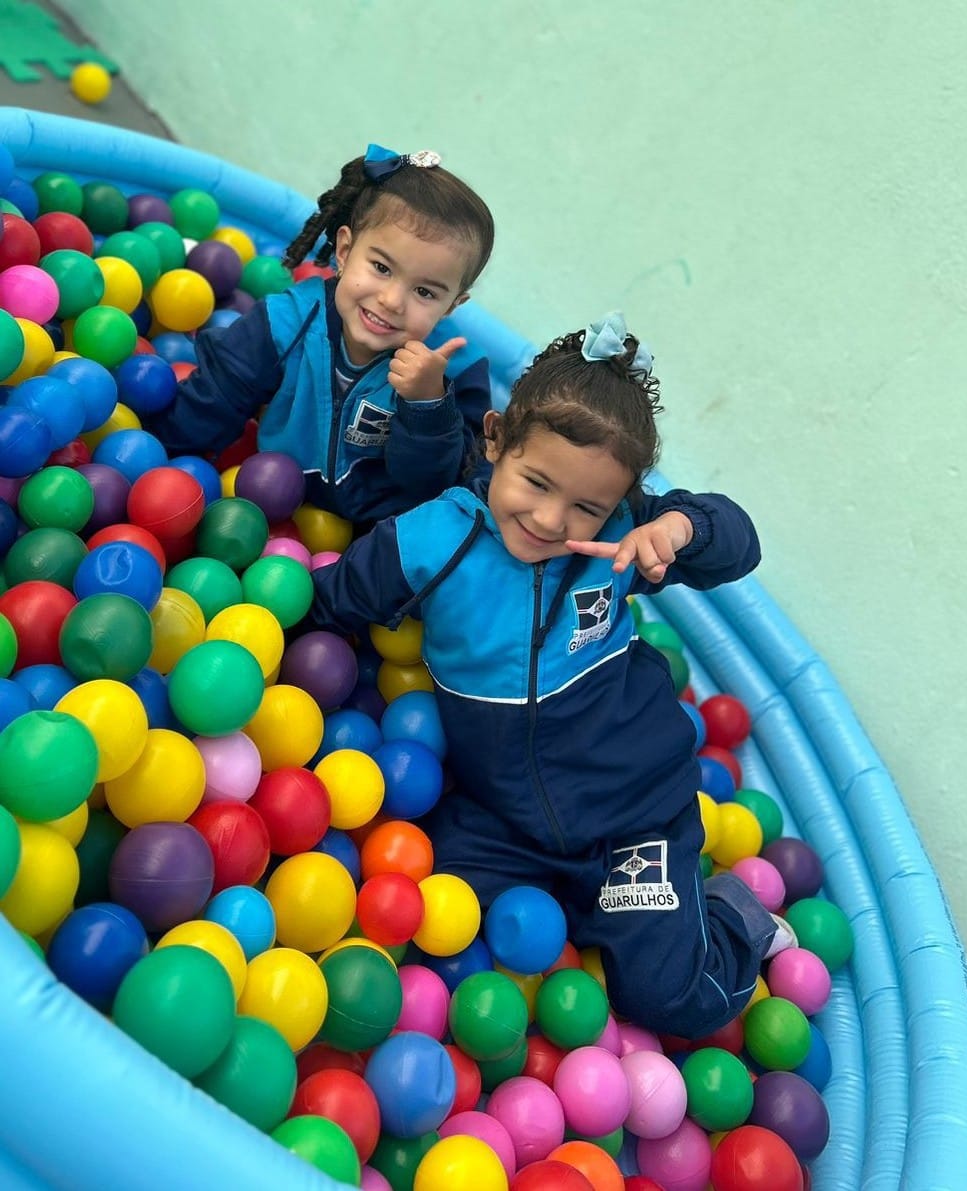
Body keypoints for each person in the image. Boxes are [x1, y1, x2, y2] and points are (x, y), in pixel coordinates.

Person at [307, 313, 793, 1037]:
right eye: (535, 482)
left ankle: (736, 916)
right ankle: (580, 910)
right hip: (502, 821)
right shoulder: (436, 537)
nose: (548, 518)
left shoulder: (617, 542)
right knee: (419, 925)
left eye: (585, 506)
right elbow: (332, 605)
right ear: (495, 438)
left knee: (668, 998)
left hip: (634, 820)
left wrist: (677, 529)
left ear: (618, 504)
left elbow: (738, 543)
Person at [144, 143, 495, 525]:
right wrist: (154, 461)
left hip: (375, 536)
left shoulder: (456, 371)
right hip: (264, 505)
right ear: (344, 251)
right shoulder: (287, 321)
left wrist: (427, 406)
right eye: (381, 267)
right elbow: (215, 398)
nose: (392, 300)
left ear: (452, 306)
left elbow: (436, 485)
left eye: (425, 292)